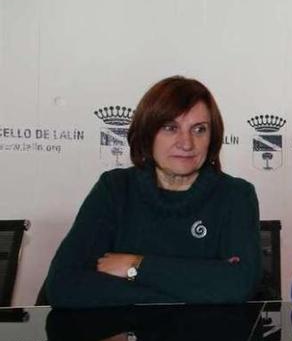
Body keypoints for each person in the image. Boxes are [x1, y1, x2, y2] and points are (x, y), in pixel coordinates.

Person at [45, 76, 261, 308]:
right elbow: (63, 285)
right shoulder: (115, 189)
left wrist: (135, 266)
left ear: (213, 137)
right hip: (120, 338)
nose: (186, 143)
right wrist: (193, 288)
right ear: (148, 134)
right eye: (170, 128)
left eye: (199, 130)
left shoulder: (236, 195)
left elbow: (238, 285)